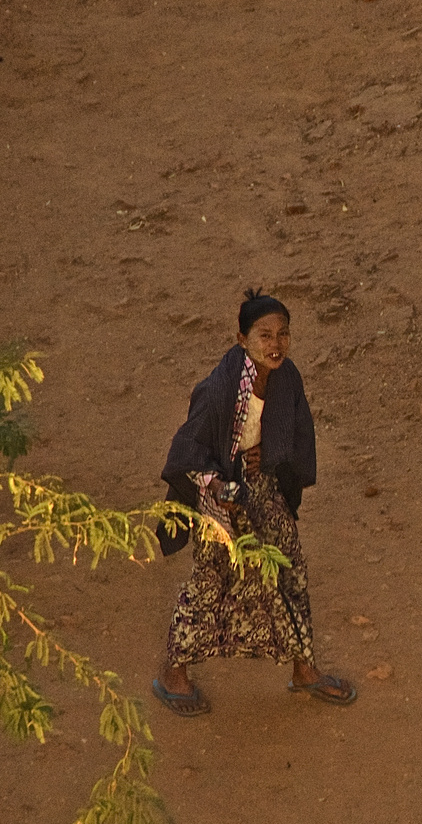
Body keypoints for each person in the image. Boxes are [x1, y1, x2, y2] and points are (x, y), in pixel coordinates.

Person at [150, 290, 356, 715]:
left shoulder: (288, 378)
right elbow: (188, 453)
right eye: (265, 335)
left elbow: (294, 435)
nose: (275, 344)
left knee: (289, 569)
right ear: (241, 337)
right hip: (219, 497)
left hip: (261, 489)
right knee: (211, 581)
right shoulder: (218, 389)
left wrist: (270, 455)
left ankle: (304, 670)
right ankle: (174, 673)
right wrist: (221, 490)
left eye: (283, 334)